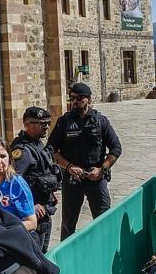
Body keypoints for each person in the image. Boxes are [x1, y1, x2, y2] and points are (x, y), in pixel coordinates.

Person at [48, 82, 123, 241]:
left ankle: (105, 247)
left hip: (95, 177)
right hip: (72, 178)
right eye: (72, 98)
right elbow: (51, 149)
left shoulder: (100, 121)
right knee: (69, 222)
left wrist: (102, 169)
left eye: (79, 98)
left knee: (103, 217)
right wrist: (68, 167)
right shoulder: (64, 122)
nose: (75, 101)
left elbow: (116, 148)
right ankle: (66, 257)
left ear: (88, 99)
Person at [11, 106, 63, 251]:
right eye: (41, 123)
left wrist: (50, 193)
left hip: (44, 211)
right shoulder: (22, 151)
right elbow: (12, 183)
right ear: (27, 125)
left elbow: (42, 173)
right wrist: (31, 205)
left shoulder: (37, 145)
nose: (46, 126)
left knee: (44, 252)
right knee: (35, 257)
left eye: (47, 123)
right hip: (32, 215)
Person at [0, 137, 37, 230]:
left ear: (9, 158)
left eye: (3, 156)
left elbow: (32, 223)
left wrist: (6, 231)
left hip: (13, 236)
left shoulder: (17, 184)